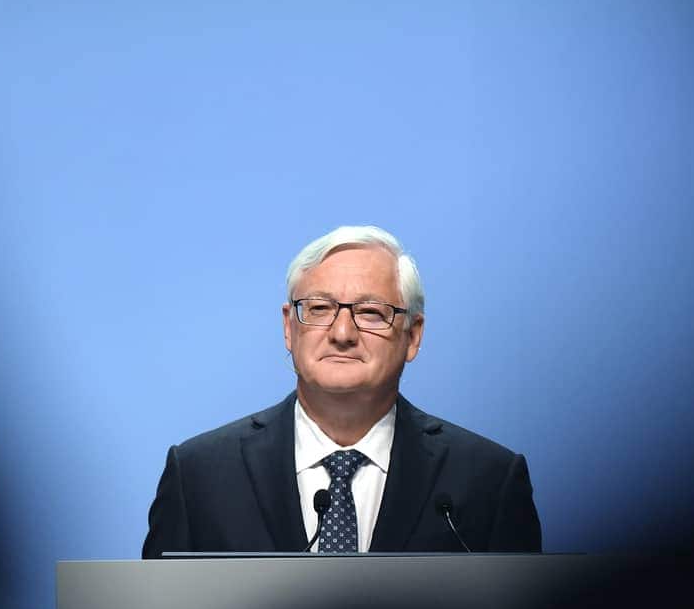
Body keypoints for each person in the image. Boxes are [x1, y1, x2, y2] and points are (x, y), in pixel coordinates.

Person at [142, 225, 542, 557]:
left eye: (370, 312)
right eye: (318, 309)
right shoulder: (199, 476)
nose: (342, 333)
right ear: (288, 327)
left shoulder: (487, 480)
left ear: (413, 335)